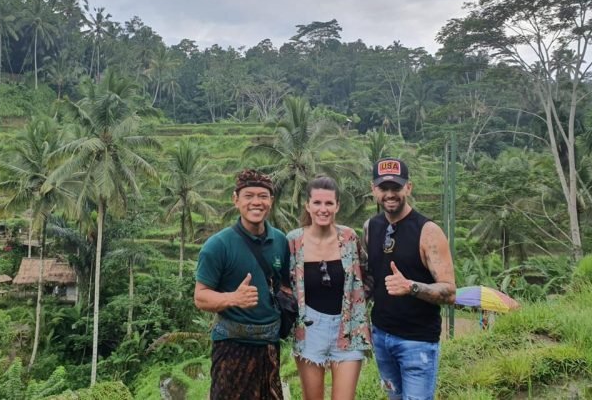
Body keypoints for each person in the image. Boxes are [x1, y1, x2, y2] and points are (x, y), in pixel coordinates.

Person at [364, 158, 456, 400]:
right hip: (381, 337)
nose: (390, 194)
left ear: (409, 188)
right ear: (374, 190)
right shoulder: (370, 227)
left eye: (397, 188)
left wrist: (411, 287)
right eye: (384, 188)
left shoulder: (428, 231)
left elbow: (449, 292)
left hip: (417, 342)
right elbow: (370, 280)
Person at [194, 168, 290, 400]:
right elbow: (200, 297)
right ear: (236, 200)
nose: (256, 202)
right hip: (232, 348)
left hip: (270, 347)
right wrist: (232, 299)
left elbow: (284, 285)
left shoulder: (280, 240)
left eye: (262, 196)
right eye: (249, 196)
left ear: (271, 201)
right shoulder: (218, 245)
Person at [287, 176, 371, 400]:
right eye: (317, 203)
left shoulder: (349, 238)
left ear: (337, 206)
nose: (323, 209)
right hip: (310, 329)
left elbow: (365, 274)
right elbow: (283, 283)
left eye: (328, 203)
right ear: (308, 205)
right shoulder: (294, 241)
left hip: (347, 327)